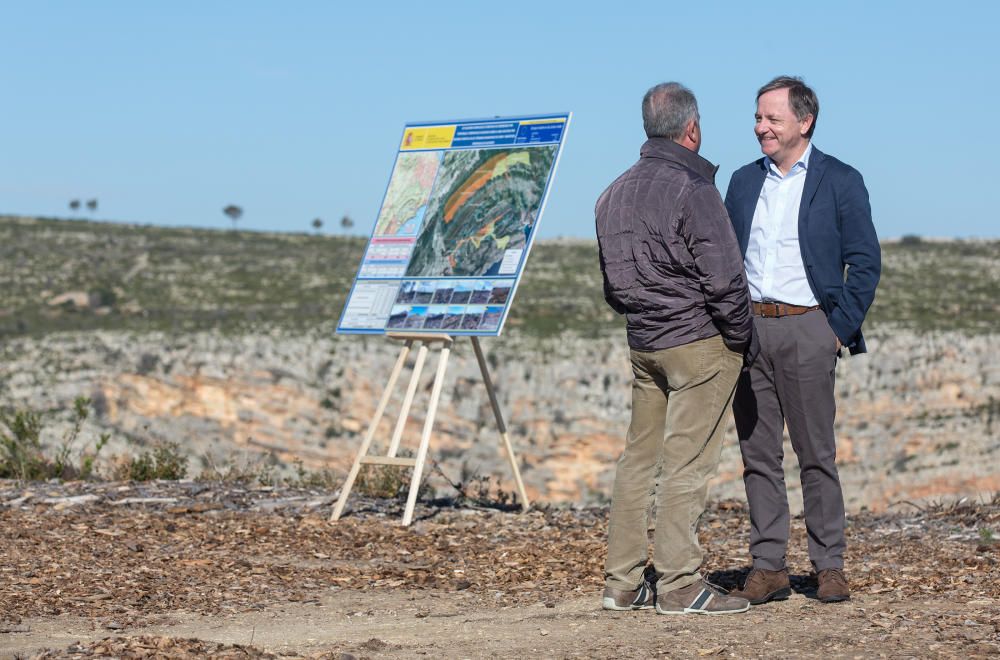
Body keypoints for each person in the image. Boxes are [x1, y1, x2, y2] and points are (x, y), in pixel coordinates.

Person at [596, 82, 755, 615]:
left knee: (637, 461)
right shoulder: (694, 191)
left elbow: (612, 288)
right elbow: (726, 279)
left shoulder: (611, 194)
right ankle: (680, 584)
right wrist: (739, 338)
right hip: (697, 344)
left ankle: (621, 584)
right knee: (687, 464)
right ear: (692, 129)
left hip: (644, 344)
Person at [724, 76, 880, 605]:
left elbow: (865, 261)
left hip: (810, 328)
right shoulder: (743, 182)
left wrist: (835, 330)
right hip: (750, 331)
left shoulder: (841, 180)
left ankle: (828, 565)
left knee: (816, 454)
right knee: (758, 455)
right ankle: (768, 567)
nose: (760, 127)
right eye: (758, 117)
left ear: (804, 122)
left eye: (771, 118)